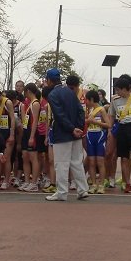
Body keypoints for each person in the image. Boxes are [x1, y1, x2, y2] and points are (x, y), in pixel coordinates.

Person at [45, 74, 89, 202]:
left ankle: (62, 192)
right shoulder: (70, 91)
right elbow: (80, 111)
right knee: (76, 162)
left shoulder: (53, 95)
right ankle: (82, 189)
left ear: (49, 80)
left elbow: (59, 115)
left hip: (62, 133)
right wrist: (78, 128)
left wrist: (71, 128)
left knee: (61, 163)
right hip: (76, 133)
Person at [108, 76, 131, 193]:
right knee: (124, 157)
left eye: (118, 89)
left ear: (124, 89)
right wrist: (109, 130)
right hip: (121, 128)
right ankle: (127, 182)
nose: (117, 92)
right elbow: (111, 115)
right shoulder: (114, 100)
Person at [84, 89, 110, 194]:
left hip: (99, 136)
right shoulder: (89, 110)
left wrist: (95, 122)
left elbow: (108, 124)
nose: (85, 102)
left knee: (100, 161)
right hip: (90, 136)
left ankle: (101, 185)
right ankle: (93, 184)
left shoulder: (101, 110)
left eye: (86, 100)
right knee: (91, 161)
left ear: (91, 99)